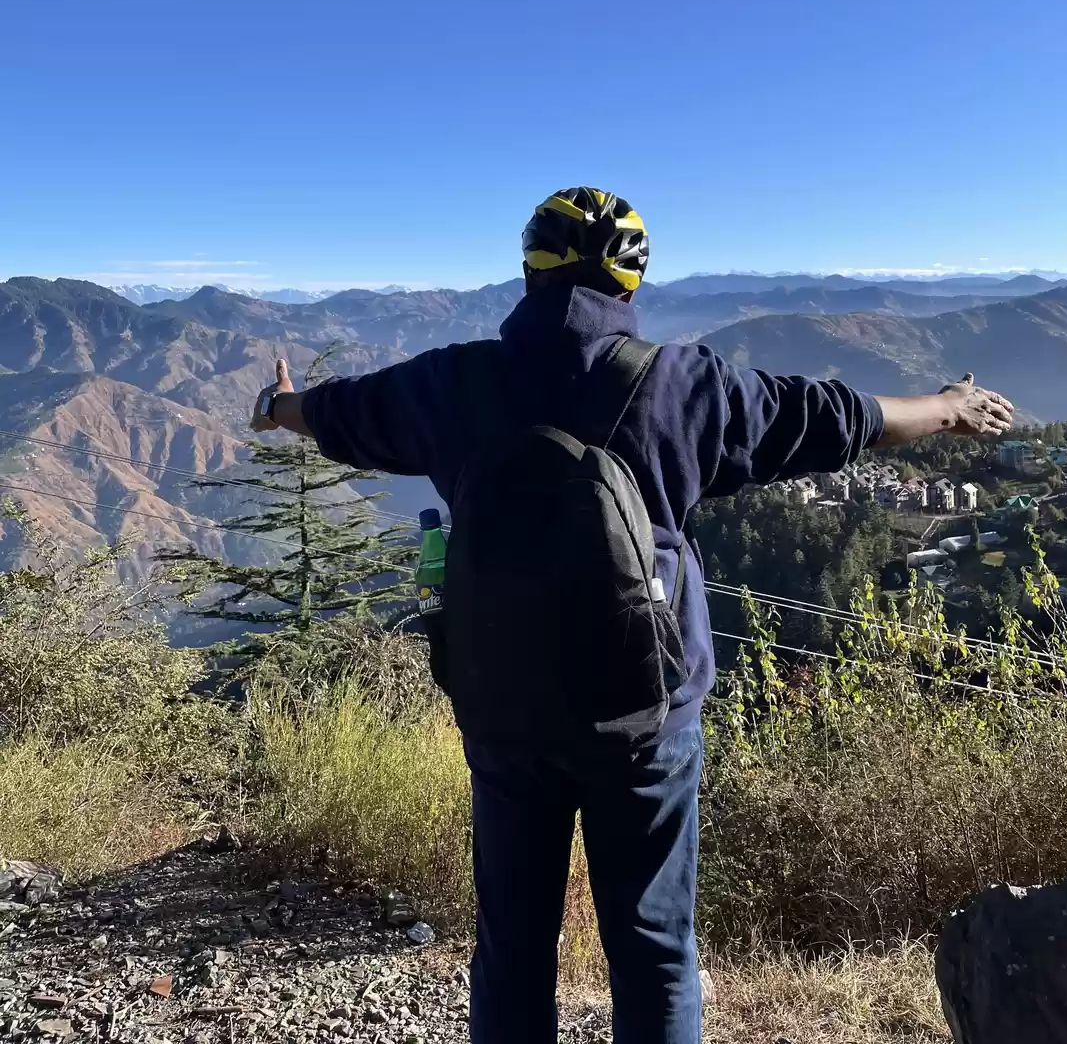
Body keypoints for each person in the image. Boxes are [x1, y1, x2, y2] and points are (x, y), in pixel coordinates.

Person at [250, 187, 1014, 1044]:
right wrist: (949, 406)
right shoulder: (688, 388)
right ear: (632, 282)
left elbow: (339, 413)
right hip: (645, 713)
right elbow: (844, 419)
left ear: (528, 270)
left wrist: (280, 406)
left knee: (512, 950)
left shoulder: (451, 383)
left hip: (504, 711)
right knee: (653, 949)